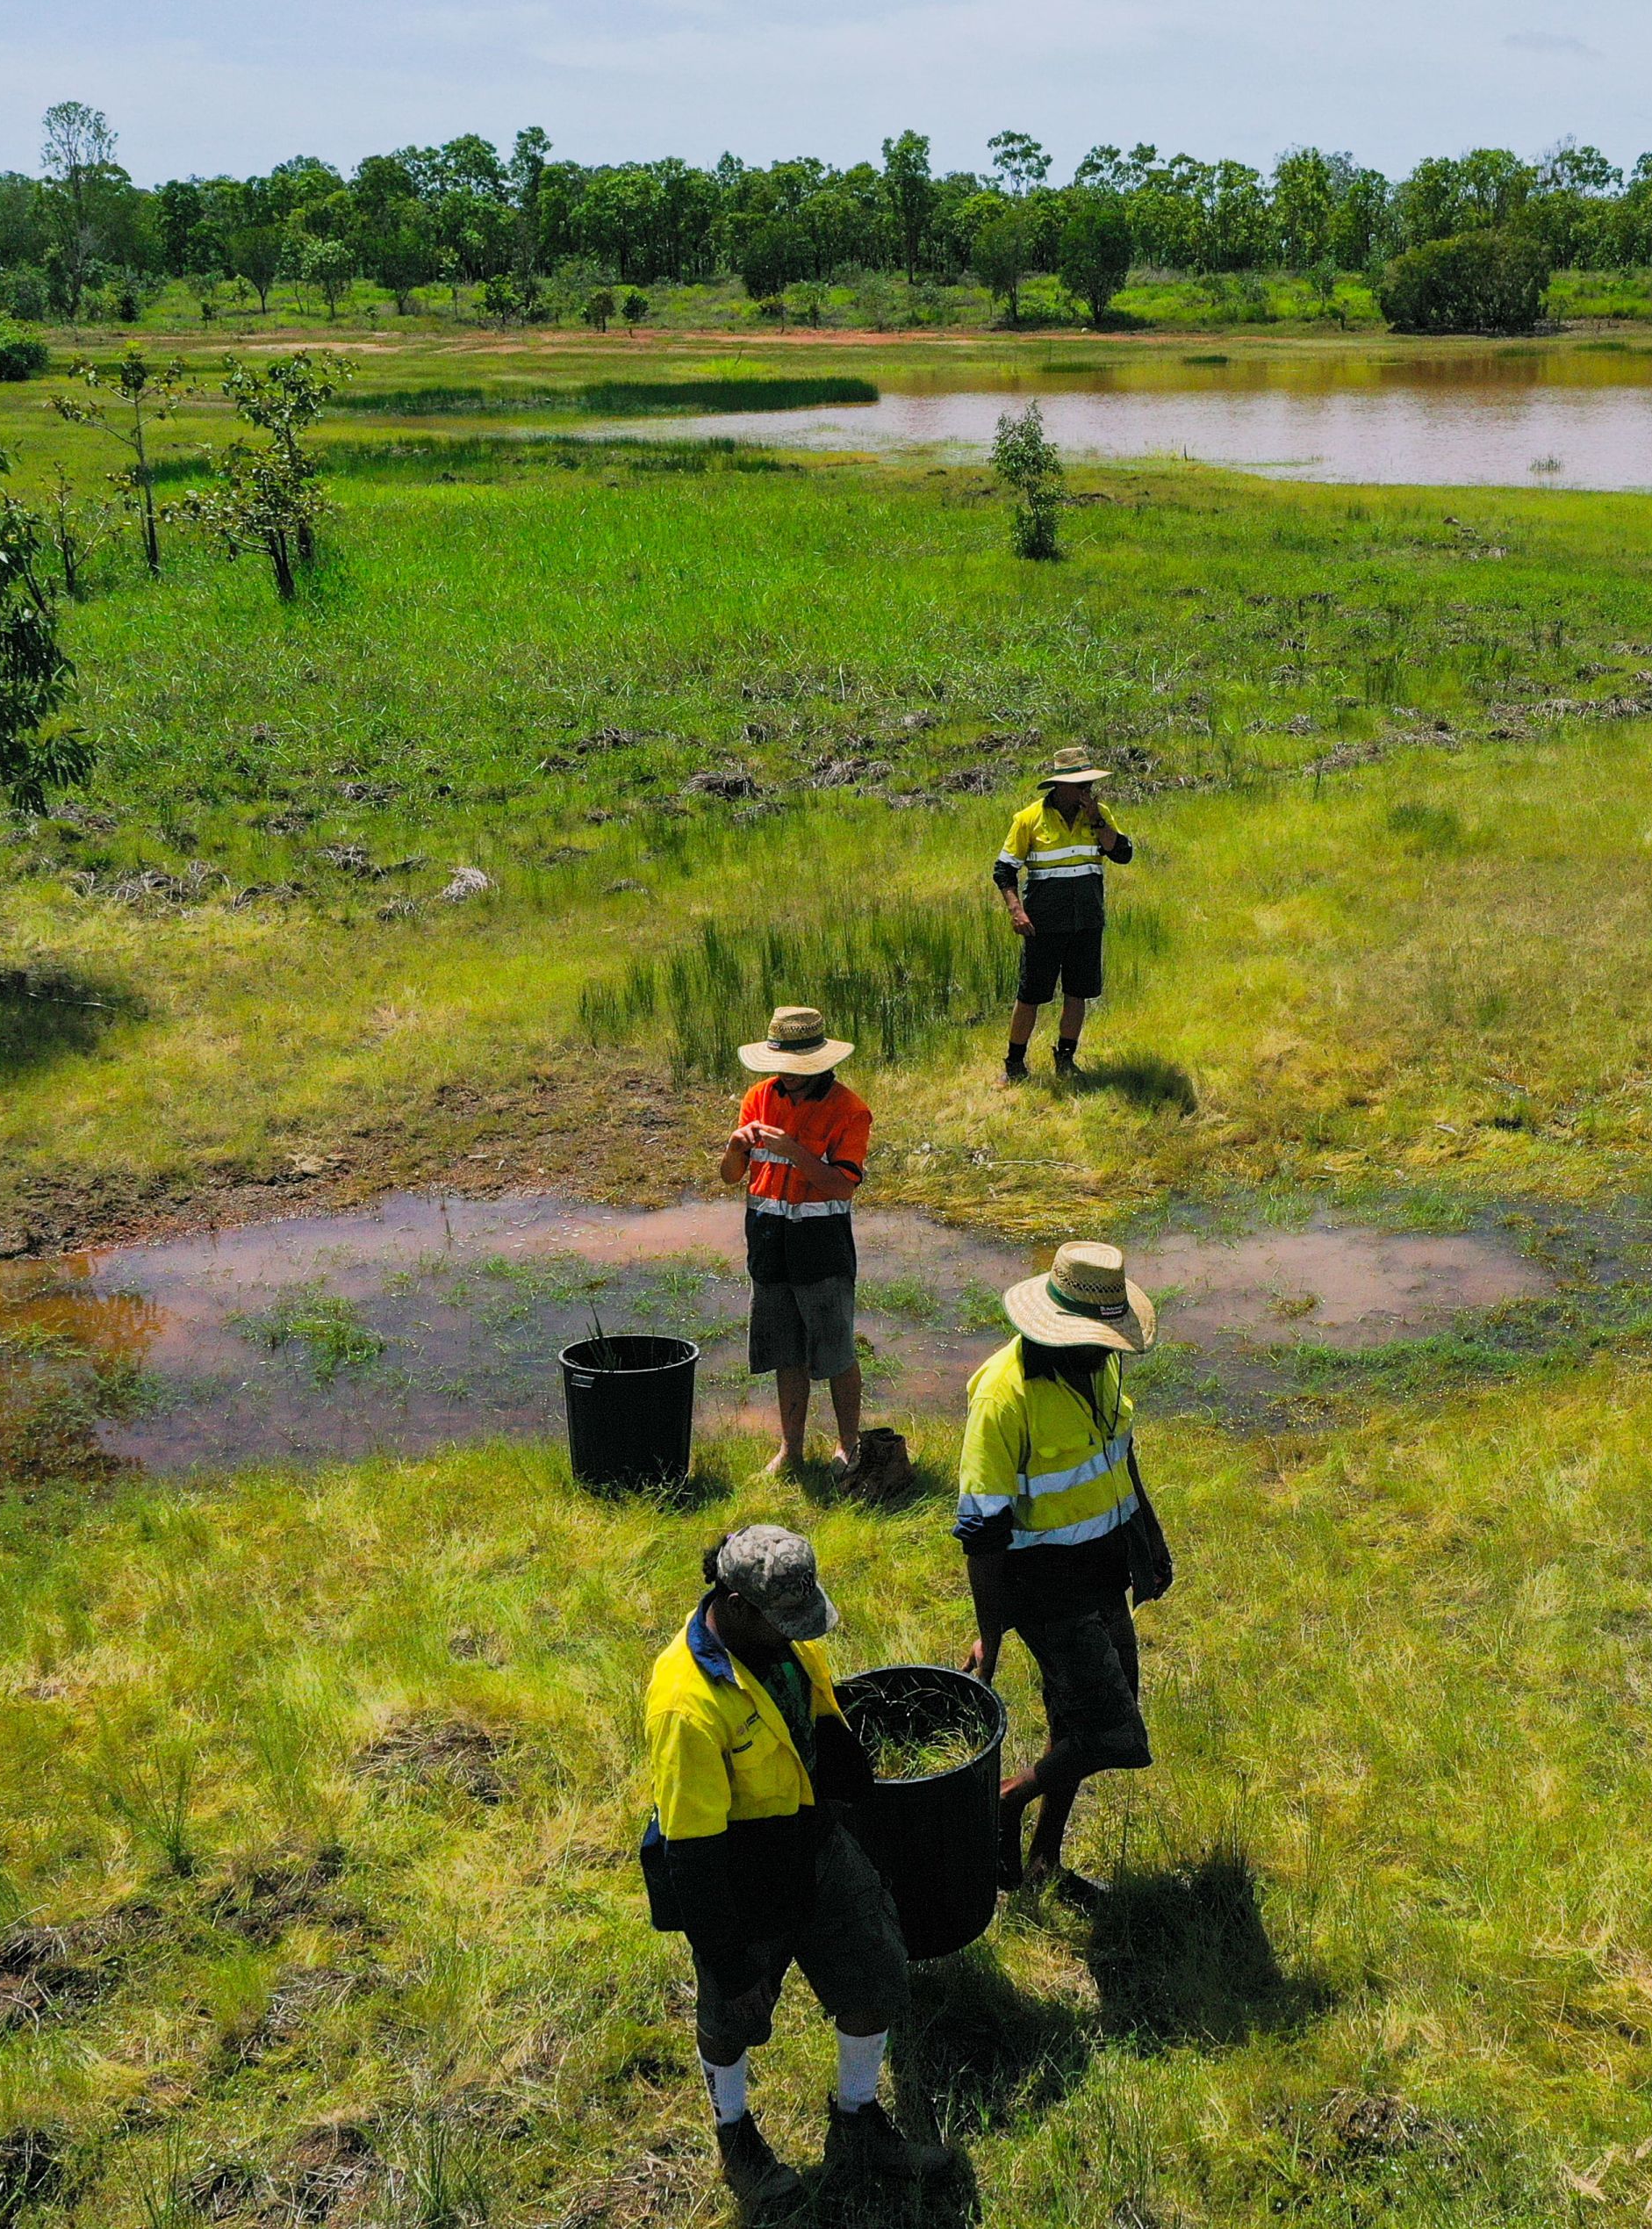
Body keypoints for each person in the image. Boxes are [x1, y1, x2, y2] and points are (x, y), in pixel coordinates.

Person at [640, 1525, 944, 2217]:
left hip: (812, 1842)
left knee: (877, 1970)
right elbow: (694, 1853)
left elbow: (817, 1719)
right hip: (738, 1869)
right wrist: (728, 1960)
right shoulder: (687, 1704)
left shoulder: (780, 1638)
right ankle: (735, 2134)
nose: (799, 1635)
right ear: (738, 1603)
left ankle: (858, 2121)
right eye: (786, 1624)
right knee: (731, 2017)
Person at [954, 1240, 1165, 1906]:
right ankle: (1005, 1799)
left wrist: (1147, 1543)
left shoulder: (1099, 1370)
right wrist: (993, 1631)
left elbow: (1116, 1458)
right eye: (1098, 1338)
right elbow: (983, 1531)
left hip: (1103, 1573)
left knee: (1076, 1730)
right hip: (1044, 1590)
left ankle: (1044, 1862)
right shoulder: (1003, 1395)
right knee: (1116, 1733)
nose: (1110, 1350)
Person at [716, 1005, 881, 1485]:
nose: (785, 1078)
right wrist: (735, 1147)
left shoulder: (850, 1111)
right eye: (780, 1067)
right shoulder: (757, 1097)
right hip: (768, 1243)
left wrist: (795, 1152)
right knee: (784, 1351)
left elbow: (842, 1187)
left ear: (820, 1064)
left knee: (835, 1352)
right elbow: (731, 1176)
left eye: (795, 1069)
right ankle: (791, 1449)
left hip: (822, 1247)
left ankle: (847, 1444)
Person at [994, 745, 1134, 1083]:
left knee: (1078, 992)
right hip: (1042, 925)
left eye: (1090, 784)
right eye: (1080, 785)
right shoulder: (1029, 819)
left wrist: (1097, 820)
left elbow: (1123, 854)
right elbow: (1003, 870)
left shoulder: (1100, 815)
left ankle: (1066, 1059)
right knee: (1031, 995)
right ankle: (1014, 1065)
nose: (1087, 791)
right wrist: (1016, 911)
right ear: (1060, 785)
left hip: (1086, 920)